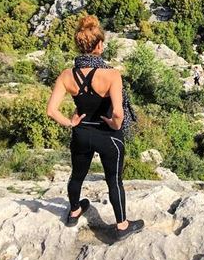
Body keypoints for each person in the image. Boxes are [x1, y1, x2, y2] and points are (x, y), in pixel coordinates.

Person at [46, 15, 144, 242]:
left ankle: (74, 211)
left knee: (77, 176)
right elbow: (118, 112)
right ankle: (122, 225)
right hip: (108, 135)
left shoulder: (66, 75)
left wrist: (70, 123)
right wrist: (115, 124)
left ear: (79, 46)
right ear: (99, 45)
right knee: (113, 180)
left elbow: (51, 111)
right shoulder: (111, 74)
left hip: (81, 133)